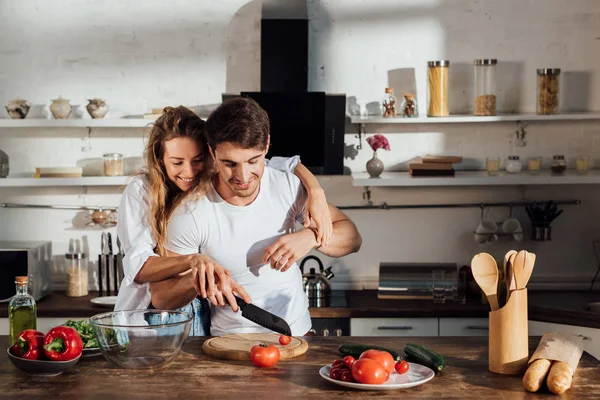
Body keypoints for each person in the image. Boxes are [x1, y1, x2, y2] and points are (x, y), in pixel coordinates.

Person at [150, 98, 362, 336]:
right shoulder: (190, 213)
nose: (243, 176)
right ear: (212, 151)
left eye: (253, 161)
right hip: (229, 345)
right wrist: (195, 280)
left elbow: (352, 237)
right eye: (229, 163)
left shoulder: (287, 188)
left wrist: (311, 236)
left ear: (267, 146)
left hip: (297, 336)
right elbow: (161, 298)